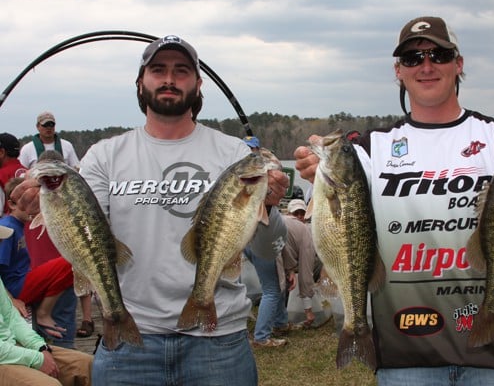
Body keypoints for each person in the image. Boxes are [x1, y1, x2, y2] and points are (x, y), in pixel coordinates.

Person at [294, 16, 494, 385]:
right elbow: (338, 223)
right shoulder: (367, 150)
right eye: (413, 58)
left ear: (458, 64)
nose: (426, 66)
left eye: (438, 55)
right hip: (404, 358)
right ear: (398, 71)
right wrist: (316, 172)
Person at [12, 34, 289, 386]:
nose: (169, 79)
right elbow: (85, 236)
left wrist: (269, 208)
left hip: (218, 341)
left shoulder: (234, 154)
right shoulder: (104, 156)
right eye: (158, 70)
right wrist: (50, 201)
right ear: (140, 82)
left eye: (181, 71)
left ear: (198, 83)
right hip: (129, 340)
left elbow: (267, 250)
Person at [0, 224, 92, 386]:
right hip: (4, 356)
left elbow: (11, 317)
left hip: (12, 346)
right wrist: (36, 358)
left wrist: (40, 347)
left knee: (89, 365)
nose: (1, 243)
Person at [23, 150, 94, 346]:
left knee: (53, 327)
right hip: (51, 273)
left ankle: (60, 358)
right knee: (54, 328)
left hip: (58, 273)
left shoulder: (36, 192)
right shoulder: (35, 192)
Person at [0, 177, 74, 341]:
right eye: (27, 203)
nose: (34, 208)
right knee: (70, 261)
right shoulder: (7, 227)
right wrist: (10, 300)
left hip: (22, 280)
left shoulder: (18, 225)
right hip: (15, 287)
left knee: (64, 268)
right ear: (12, 204)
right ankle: (43, 313)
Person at [241, 135, 290, 348]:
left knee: (273, 285)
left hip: (248, 241)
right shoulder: (259, 174)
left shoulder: (240, 170)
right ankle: (261, 336)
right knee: (271, 289)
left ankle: (280, 322)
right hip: (260, 240)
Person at [281, 198, 322, 327]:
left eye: (302, 213)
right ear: (288, 214)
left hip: (289, 266)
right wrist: (308, 309)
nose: (299, 216)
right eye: (295, 213)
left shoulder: (307, 230)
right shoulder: (303, 231)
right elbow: (305, 272)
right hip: (284, 268)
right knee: (275, 291)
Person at [0, 133, 27, 215]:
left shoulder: (1, 175)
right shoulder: (30, 172)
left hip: (7, 225)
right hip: (31, 225)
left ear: (1, 152)